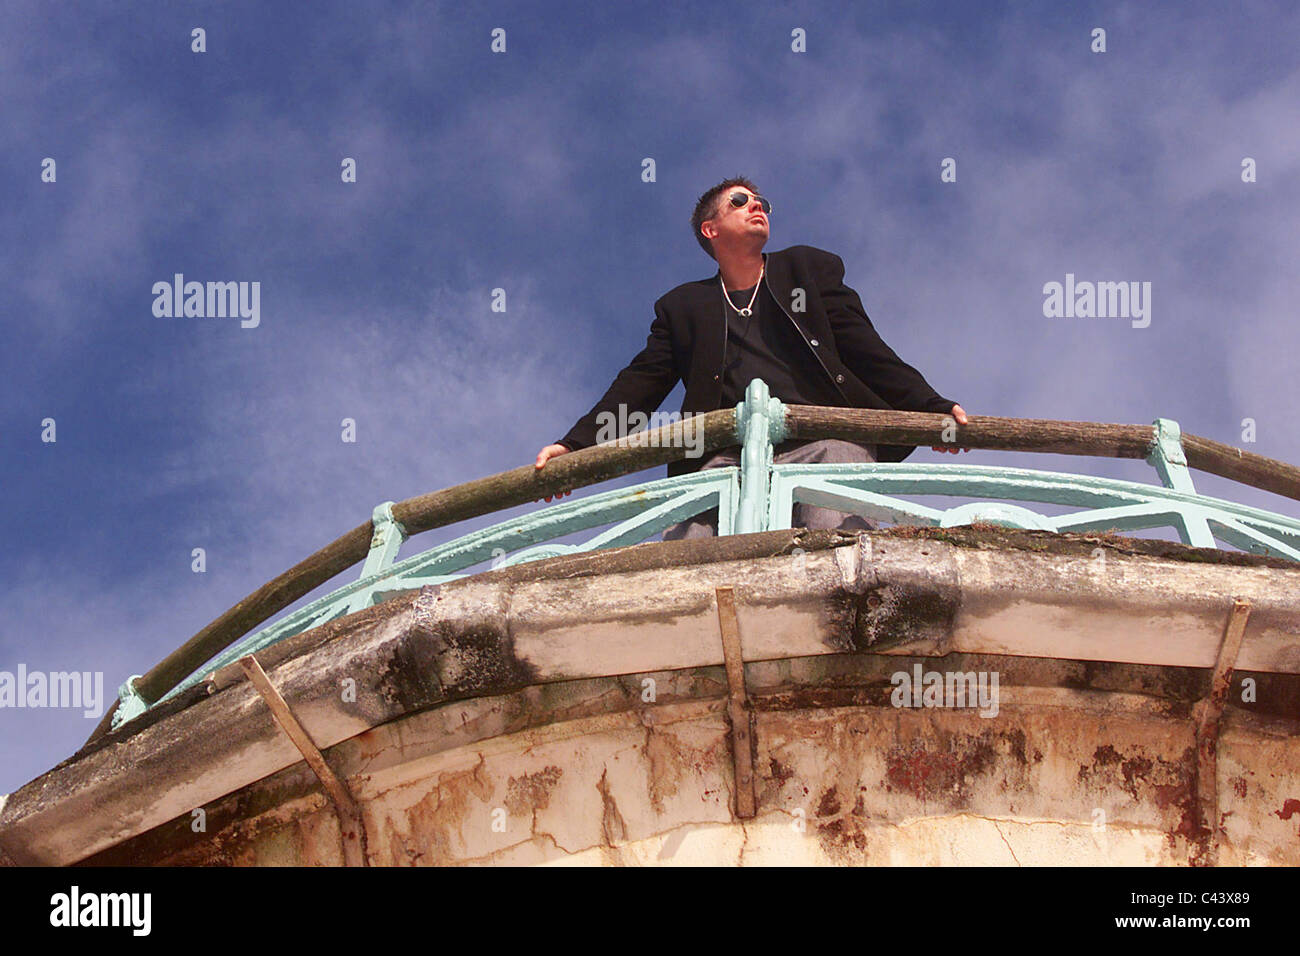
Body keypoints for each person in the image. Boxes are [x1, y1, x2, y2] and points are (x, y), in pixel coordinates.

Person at [533, 176, 969, 539]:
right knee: (684, 564)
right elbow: (641, 383)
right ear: (711, 229)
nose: (756, 206)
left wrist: (929, 406)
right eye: (740, 202)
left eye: (761, 202)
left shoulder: (806, 270)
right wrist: (576, 447)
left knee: (838, 545)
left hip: (824, 439)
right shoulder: (684, 308)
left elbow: (865, 349)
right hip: (723, 456)